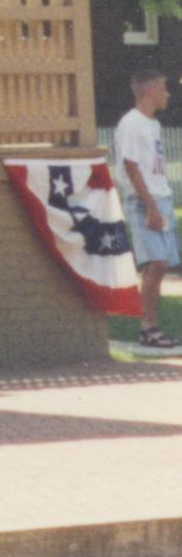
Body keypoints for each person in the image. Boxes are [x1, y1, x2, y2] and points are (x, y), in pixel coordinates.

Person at [116, 68, 177, 353]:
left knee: (162, 264)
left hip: (160, 198)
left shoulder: (152, 125)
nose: (167, 94)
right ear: (149, 90)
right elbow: (130, 165)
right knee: (155, 264)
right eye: (163, 88)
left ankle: (153, 327)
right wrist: (150, 205)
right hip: (144, 201)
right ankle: (148, 329)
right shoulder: (131, 124)